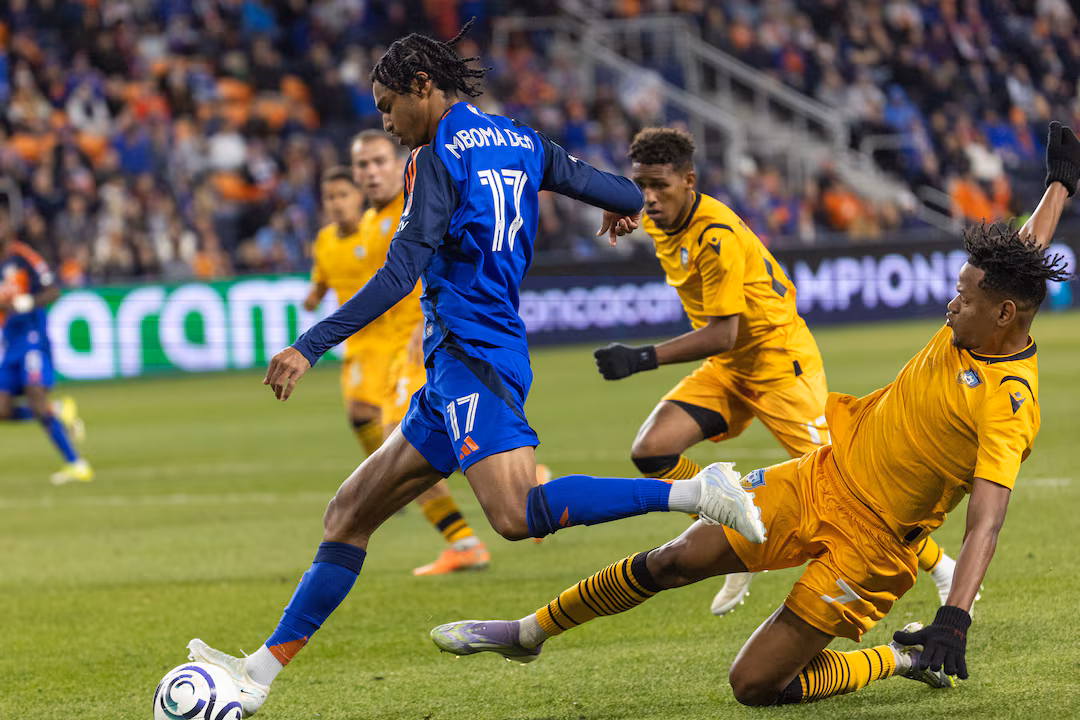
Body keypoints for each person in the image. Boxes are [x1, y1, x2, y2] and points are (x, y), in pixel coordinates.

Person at [185, 22, 766, 716]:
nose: (388, 123)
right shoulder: (521, 140)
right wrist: (620, 211)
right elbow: (612, 187)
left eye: (387, 106)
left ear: (422, 87)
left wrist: (309, 344)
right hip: (458, 366)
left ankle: (698, 493)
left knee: (517, 515)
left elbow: (402, 270)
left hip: (473, 357)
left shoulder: (435, 158)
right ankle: (256, 674)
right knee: (347, 515)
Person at [430, 123, 1076, 706]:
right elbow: (1022, 255)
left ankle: (901, 655)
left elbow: (987, 523)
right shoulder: (978, 319)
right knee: (672, 561)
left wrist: (954, 619)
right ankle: (529, 631)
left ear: (1005, 316)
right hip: (819, 477)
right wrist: (1059, 184)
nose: (948, 306)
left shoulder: (1009, 403)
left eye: (963, 300)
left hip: (873, 547)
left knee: (756, 685)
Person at [593, 127, 962, 616]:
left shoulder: (715, 236)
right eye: (640, 185)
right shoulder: (657, 211)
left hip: (778, 364)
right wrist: (619, 207)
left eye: (659, 186)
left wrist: (641, 358)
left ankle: (942, 566)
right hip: (731, 369)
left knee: (849, 487)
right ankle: (733, 511)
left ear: (690, 180)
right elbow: (635, 204)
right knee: (652, 449)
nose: (649, 197)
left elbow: (723, 332)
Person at [306, 131, 499, 577]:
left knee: (400, 439)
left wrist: (430, 318)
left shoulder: (422, 202)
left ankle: (471, 532)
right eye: (362, 166)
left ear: (399, 164)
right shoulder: (371, 222)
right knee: (384, 431)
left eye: (378, 162)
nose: (370, 173)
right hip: (385, 345)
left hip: (425, 339)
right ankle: (501, 500)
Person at [0, 207, 91, 484]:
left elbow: (53, 290)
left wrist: (29, 302)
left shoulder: (23, 256)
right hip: (10, 343)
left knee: (37, 399)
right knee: (2, 410)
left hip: (32, 340)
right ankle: (60, 411)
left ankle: (77, 464)